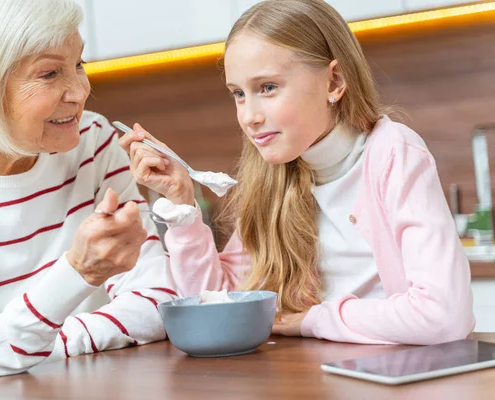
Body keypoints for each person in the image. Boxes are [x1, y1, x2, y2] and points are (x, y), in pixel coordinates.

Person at [119, 0, 474, 345]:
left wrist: (313, 320)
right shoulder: (271, 173)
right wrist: (182, 207)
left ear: (334, 81)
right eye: (238, 94)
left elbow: (441, 314)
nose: (249, 116)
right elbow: (222, 306)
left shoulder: (393, 152)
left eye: (267, 88)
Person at [0, 0, 176, 393]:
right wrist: (76, 274)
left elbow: (158, 302)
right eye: (49, 74)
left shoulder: (94, 145)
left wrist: (24, 351)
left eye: (78, 64)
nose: (80, 92)